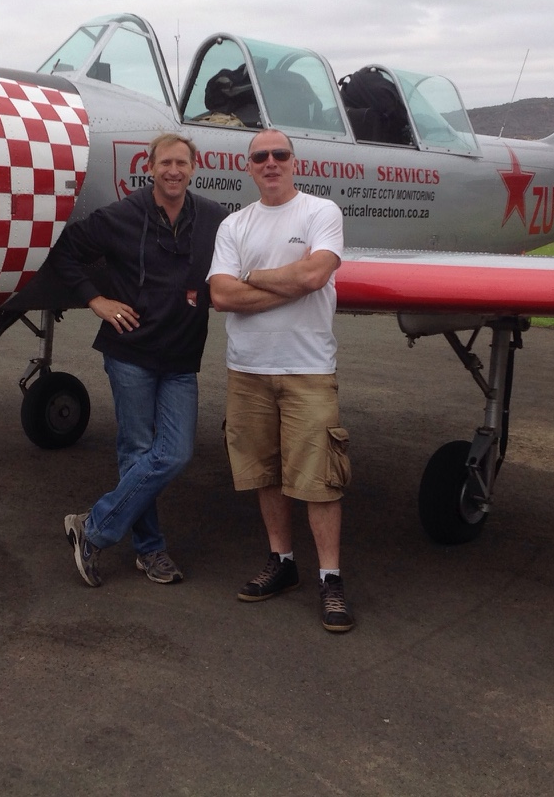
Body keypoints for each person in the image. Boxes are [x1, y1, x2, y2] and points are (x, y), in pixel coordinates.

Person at [48, 133, 226, 587]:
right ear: (149, 167)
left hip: (181, 360)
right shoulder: (122, 216)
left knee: (176, 452)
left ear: (193, 167)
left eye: (181, 163)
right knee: (137, 453)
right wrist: (96, 300)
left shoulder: (212, 218)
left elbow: (243, 260)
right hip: (130, 354)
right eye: (164, 163)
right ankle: (149, 550)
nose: (173, 171)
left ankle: (93, 526)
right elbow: (65, 252)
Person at [207, 128, 354, 633]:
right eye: (260, 157)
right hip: (247, 369)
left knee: (319, 481)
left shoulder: (320, 213)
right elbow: (221, 296)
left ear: (295, 162)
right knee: (264, 474)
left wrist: (250, 277)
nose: (270, 162)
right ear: (247, 167)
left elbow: (315, 277)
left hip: (308, 369)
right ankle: (283, 562)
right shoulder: (234, 224)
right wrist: (284, 279)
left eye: (279, 155)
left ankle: (330, 578)